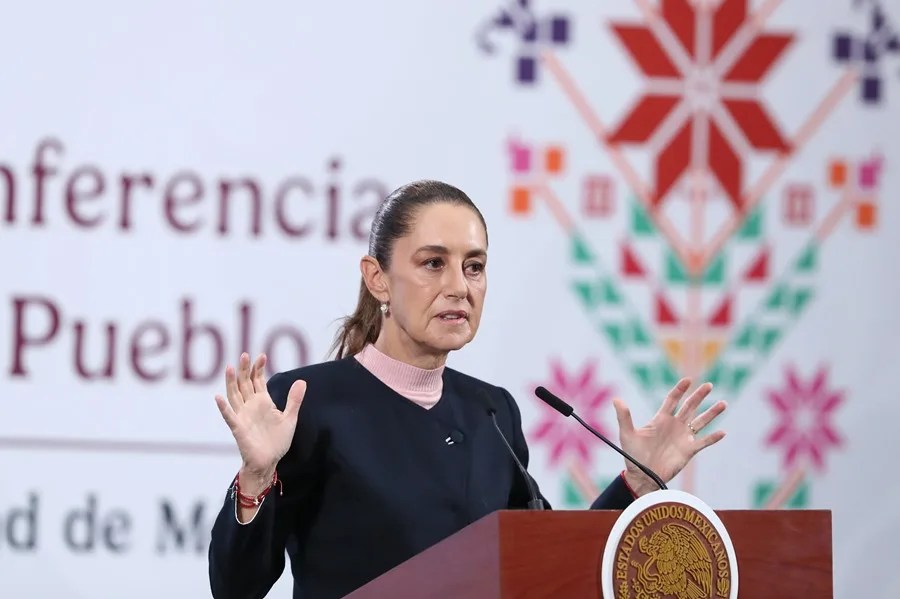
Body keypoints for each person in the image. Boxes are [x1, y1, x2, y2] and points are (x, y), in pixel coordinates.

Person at [207, 180, 727, 599]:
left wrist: (635, 482)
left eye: (473, 266)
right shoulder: (310, 402)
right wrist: (255, 479)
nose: (459, 285)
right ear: (378, 279)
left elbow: (549, 570)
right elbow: (235, 589)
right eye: (434, 263)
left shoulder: (492, 411)